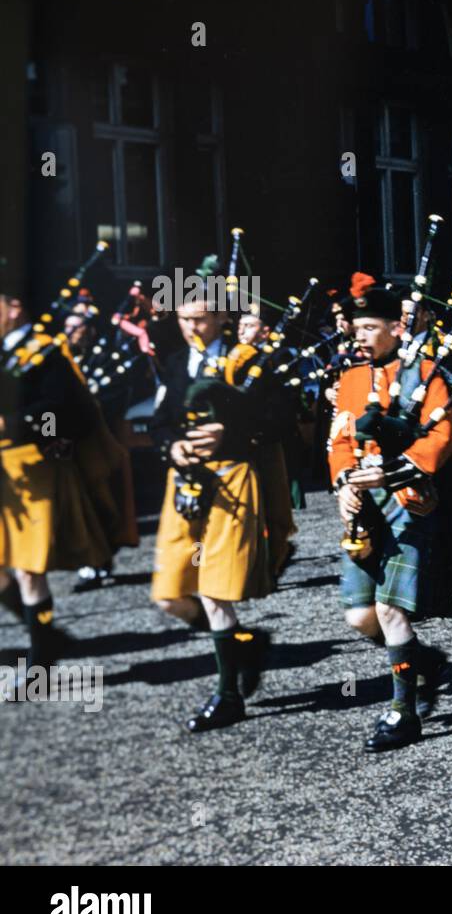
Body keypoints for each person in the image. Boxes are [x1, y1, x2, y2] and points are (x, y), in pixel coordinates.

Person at [328, 284, 452, 752]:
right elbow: (340, 439)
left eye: (370, 327)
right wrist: (345, 483)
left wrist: (392, 471)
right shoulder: (351, 380)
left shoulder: (426, 374)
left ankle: (402, 713)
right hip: (364, 506)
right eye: (356, 327)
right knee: (360, 616)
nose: (360, 336)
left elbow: (441, 437)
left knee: (390, 610)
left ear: (396, 327)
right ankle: (425, 662)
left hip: (408, 500)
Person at [149, 295, 279, 732]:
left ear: (223, 318)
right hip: (185, 484)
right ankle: (241, 642)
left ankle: (227, 696)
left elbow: (278, 419)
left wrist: (233, 428)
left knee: (213, 589)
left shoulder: (249, 362)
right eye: (184, 319)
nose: (190, 327)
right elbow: (160, 420)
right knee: (170, 595)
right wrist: (172, 445)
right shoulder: (175, 362)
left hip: (230, 480)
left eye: (199, 319)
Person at [0, 293, 112, 668]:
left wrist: (21, 427)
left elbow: (60, 413)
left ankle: (42, 655)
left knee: (29, 569)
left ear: (15, 307)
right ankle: (48, 636)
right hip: (5, 473)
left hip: (34, 466)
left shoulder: (46, 353)